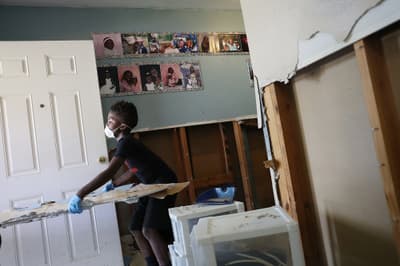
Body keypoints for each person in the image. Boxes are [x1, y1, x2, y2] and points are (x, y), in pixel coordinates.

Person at [68, 101, 177, 266]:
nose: (107, 123)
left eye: (111, 121)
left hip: (164, 183)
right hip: (149, 185)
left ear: (123, 126)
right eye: (108, 119)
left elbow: (109, 172)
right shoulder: (125, 143)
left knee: (149, 229)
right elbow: (134, 170)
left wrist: (80, 194)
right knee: (135, 228)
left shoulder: (126, 142)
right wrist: (115, 184)